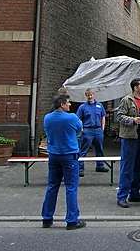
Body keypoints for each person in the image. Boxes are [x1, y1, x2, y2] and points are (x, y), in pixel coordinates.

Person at [41, 93, 86, 230]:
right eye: (68, 102)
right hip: (69, 155)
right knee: (71, 187)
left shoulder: (47, 118)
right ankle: (72, 220)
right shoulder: (72, 117)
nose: (70, 104)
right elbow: (80, 130)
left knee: (52, 186)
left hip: (53, 155)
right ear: (62, 104)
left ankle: (47, 218)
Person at [115, 78, 140, 208]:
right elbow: (119, 116)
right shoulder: (127, 100)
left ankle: (134, 193)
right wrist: (133, 120)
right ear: (135, 88)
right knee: (127, 167)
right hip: (129, 137)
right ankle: (122, 196)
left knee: (139, 166)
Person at [76, 89, 107, 177]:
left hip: (98, 130)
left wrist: (102, 128)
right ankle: (80, 169)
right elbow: (79, 119)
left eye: (91, 95)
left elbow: (103, 117)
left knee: (99, 149)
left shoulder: (100, 105)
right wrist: (82, 129)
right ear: (86, 96)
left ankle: (100, 166)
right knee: (83, 150)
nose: (90, 97)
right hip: (87, 130)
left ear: (94, 95)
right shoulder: (82, 107)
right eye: (88, 95)